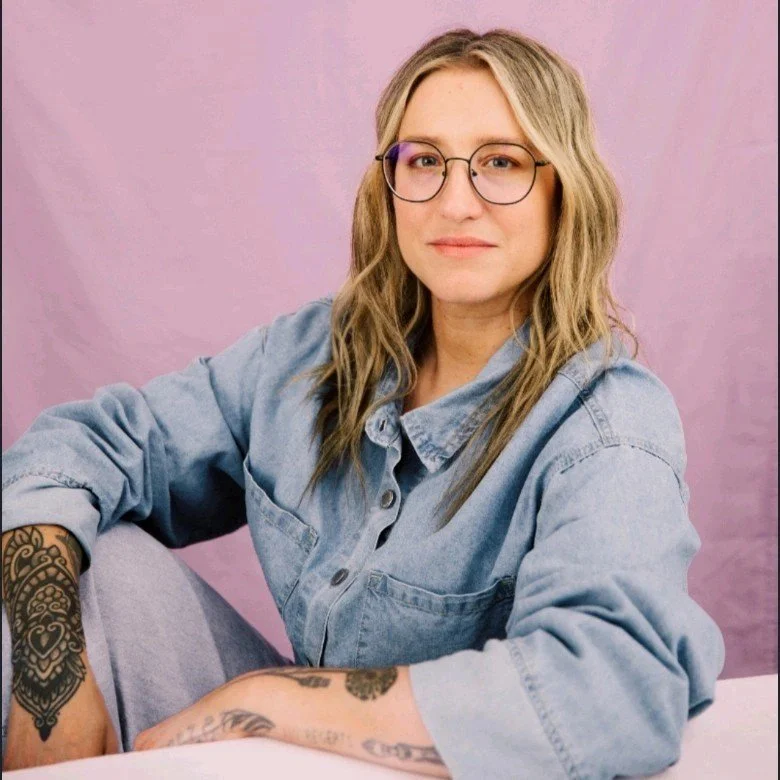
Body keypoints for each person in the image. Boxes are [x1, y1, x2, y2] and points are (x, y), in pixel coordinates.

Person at [1, 26, 725, 778]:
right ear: (390, 186)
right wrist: (47, 682)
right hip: (307, 757)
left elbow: (612, 693)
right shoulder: (311, 355)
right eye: (425, 161)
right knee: (72, 560)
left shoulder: (609, 426)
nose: (455, 203)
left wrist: (270, 697)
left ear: (563, 191)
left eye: (501, 162)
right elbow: (79, 449)